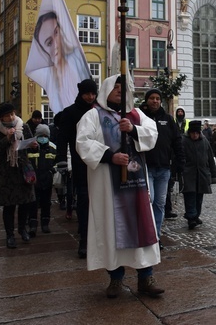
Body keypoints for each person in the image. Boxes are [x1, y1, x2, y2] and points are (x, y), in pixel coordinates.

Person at [75, 74, 163, 299]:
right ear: (105, 89)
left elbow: (152, 133)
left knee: (141, 226)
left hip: (136, 186)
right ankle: (115, 279)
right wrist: (110, 156)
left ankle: (146, 277)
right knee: (110, 228)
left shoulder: (136, 114)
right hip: (108, 185)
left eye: (123, 88)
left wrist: (133, 130)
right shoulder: (93, 115)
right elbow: (83, 142)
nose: (119, 91)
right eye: (115, 87)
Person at [55, 78, 98, 259]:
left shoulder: (98, 111)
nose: (90, 97)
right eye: (87, 93)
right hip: (80, 163)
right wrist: (62, 161)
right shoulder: (70, 113)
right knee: (84, 200)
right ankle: (85, 239)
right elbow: (62, 138)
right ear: (81, 93)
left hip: (99, 161)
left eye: (93, 93)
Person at [139, 88, 185, 249]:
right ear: (147, 100)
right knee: (148, 201)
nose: (155, 101)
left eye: (158, 98)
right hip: (147, 168)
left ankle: (156, 236)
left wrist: (180, 163)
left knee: (159, 204)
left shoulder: (168, 119)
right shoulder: (141, 118)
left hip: (164, 169)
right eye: (152, 98)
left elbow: (177, 141)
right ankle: (146, 234)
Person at [0, 102, 35, 249]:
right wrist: (7, 139)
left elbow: (30, 143)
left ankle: (22, 229)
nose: (11, 117)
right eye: (7, 115)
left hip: (22, 170)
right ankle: (10, 234)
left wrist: (33, 145)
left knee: (25, 203)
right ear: (1, 118)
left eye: (12, 114)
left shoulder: (23, 126)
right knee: (9, 206)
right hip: (6, 172)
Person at [30, 11, 91, 113]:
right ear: (44, 51)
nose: (56, 43)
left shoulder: (77, 59)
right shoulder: (48, 75)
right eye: (49, 43)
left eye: (56, 32)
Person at [181, 120, 216, 229]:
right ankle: (191, 217)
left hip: (202, 174)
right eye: (193, 133)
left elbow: (210, 158)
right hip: (188, 174)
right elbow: (177, 157)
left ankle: (196, 215)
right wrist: (176, 174)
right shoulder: (184, 141)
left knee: (199, 196)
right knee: (190, 195)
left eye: (197, 133)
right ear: (190, 132)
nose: (195, 135)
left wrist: (213, 175)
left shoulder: (204, 141)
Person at [27, 124, 56, 236]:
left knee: (46, 204)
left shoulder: (53, 148)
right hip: (33, 182)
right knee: (33, 205)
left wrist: (52, 172)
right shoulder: (30, 147)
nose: (43, 137)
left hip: (47, 181)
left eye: (45, 135)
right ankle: (32, 226)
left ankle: (45, 224)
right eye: (41, 135)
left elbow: (56, 162)